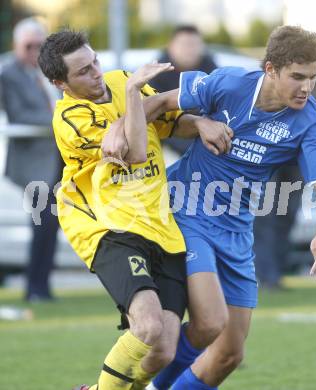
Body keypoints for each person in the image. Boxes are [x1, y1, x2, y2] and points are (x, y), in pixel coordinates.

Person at [38, 30, 232, 390]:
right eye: (83, 71)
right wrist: (139, 100)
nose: (96, 73)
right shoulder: (70, 118)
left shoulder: (122, 80)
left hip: (158, 224)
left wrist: (200, 121)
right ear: (59, 83)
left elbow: (169, 120)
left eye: (95, 61)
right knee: (147, 326)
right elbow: (137, 150)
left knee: (161, 351)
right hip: (108, 227)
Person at [147, 25, 316, 389]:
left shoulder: (310, 119)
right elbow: (156, 104)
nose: (307, 87)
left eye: (313, 77)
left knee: (230, 354)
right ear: (270, 70)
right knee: (208, 322)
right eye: (297, 77)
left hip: (235, 227)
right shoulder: (230, 84)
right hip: (185, 210)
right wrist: (199, 122)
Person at [254, 61, 316, 289]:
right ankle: (266, 274)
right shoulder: (267, 69)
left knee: (287, 214)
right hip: (270, 155)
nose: (305, 86)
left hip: (298, 156)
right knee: (265, 215)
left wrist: (302, 111)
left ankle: (277, 272)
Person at [0, 18, 62, 302]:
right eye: (29, 46)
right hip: (31, 162)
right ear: (16, 45)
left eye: (40, 45)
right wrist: (61, 120)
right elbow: (19, 115)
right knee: (44, 219)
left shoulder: (52, 70)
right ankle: (35, 288)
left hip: (59, 158)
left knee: (53, 220)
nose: (35, 51)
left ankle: (42, 286)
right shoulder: (8, 73)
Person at [149, 25, 217, 157]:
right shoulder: (155, 73)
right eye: (184, 44)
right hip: (164, 147)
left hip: (208, 144)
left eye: (194, 44)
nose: (189, 49)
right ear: (171, 46)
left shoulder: (213, 72)